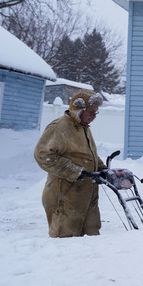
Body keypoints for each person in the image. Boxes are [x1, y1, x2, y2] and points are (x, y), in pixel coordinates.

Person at [34, 89, 107, 237]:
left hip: (87, 197)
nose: (94, 117)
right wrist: (74, 171)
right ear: (79, 110)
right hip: (65, 196)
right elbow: (43, 155)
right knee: (66, 242)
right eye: (91, 112)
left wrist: (103, 170)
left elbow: (88, 155)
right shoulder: (59, 127)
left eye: (96, 113)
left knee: (92, 240)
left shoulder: (83, 128)